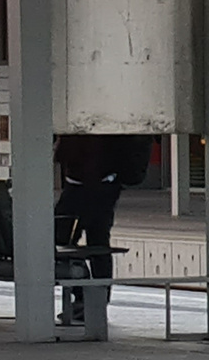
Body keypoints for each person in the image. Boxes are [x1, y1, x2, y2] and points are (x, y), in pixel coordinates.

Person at [54, 133, 153, 321]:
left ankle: (85, 296)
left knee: (71, 241)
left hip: (87, 183)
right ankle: (93, 299)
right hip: (99, 184)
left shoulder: (85, 129)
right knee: (96, 243)